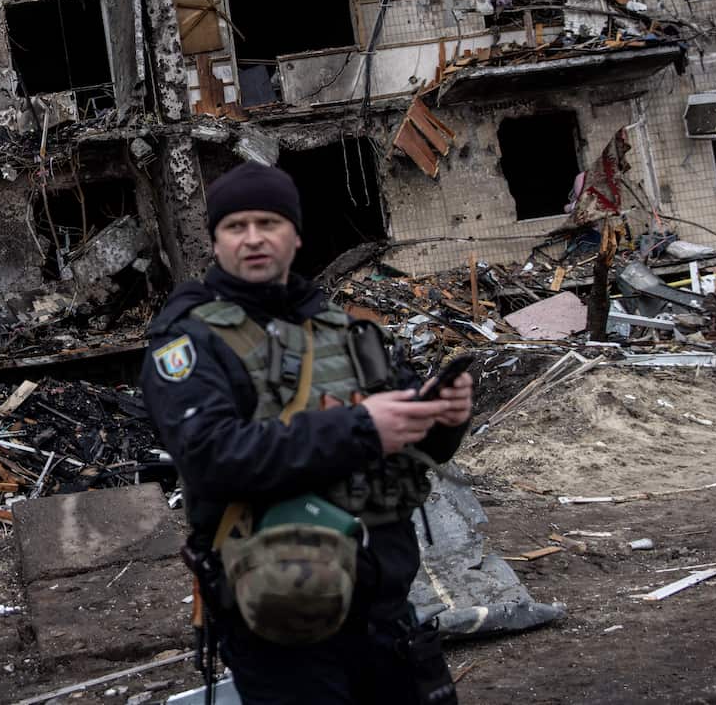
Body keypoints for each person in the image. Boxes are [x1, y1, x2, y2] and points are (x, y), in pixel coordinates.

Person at [142, 162, 473, 705]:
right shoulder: (188, 341)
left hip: (381, 605)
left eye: (268, 223)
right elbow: (212, 456)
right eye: (235, 226)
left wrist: (445, 417)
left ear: (295, 235)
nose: (253, 239)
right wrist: (363, 428)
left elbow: (413, 448)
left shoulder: (342, 329)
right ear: (216, 241)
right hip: (279, 617)